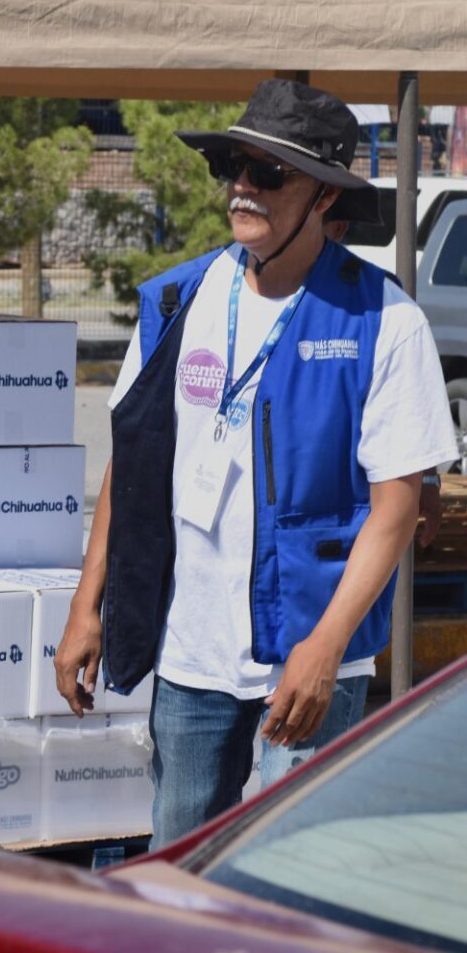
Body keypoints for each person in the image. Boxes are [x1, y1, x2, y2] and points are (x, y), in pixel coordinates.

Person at [54, 79, 459, 849]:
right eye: (234, 166)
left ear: (323, 197)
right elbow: (132, 467)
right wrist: (87, 604)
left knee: (290, 866)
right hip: (191, 651)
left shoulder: (384, 319)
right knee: (182, 861)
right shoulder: (174, 302)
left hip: (310, 648)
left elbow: (397, 507)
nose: (242, 185)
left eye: (269, 172)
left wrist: (327, 646)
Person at [324, 213, 444, 546]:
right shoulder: (230, 289)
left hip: (348, 522)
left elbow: (410, 411)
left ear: (337, 228)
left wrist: (428, 479)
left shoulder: (379, 305)